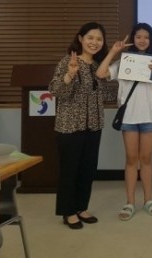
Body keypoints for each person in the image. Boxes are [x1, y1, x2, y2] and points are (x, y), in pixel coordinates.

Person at [95, 23, 152, 220]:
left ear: (151, 40)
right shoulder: (123, 62)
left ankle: (149, 199)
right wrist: (113, 52)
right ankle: (130, 202)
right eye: (138, 36)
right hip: (129, 117)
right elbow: (100, 74)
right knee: (131, 159)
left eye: (146, 37)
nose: (142, 40)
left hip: (149, 116)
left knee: (146, 159)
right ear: (133, 39)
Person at [48, 22, 109, 230]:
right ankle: (68, 211)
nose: (94, 42)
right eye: (90, 37)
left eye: (99, 39)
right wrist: (70, 74)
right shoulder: (68, 61)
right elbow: (55, 90)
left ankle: (82, 207)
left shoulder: (99, 66)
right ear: (81, 39)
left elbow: (105, 94)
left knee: (87, 170)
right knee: (70, 171)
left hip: (94, 125)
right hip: (70, 126)